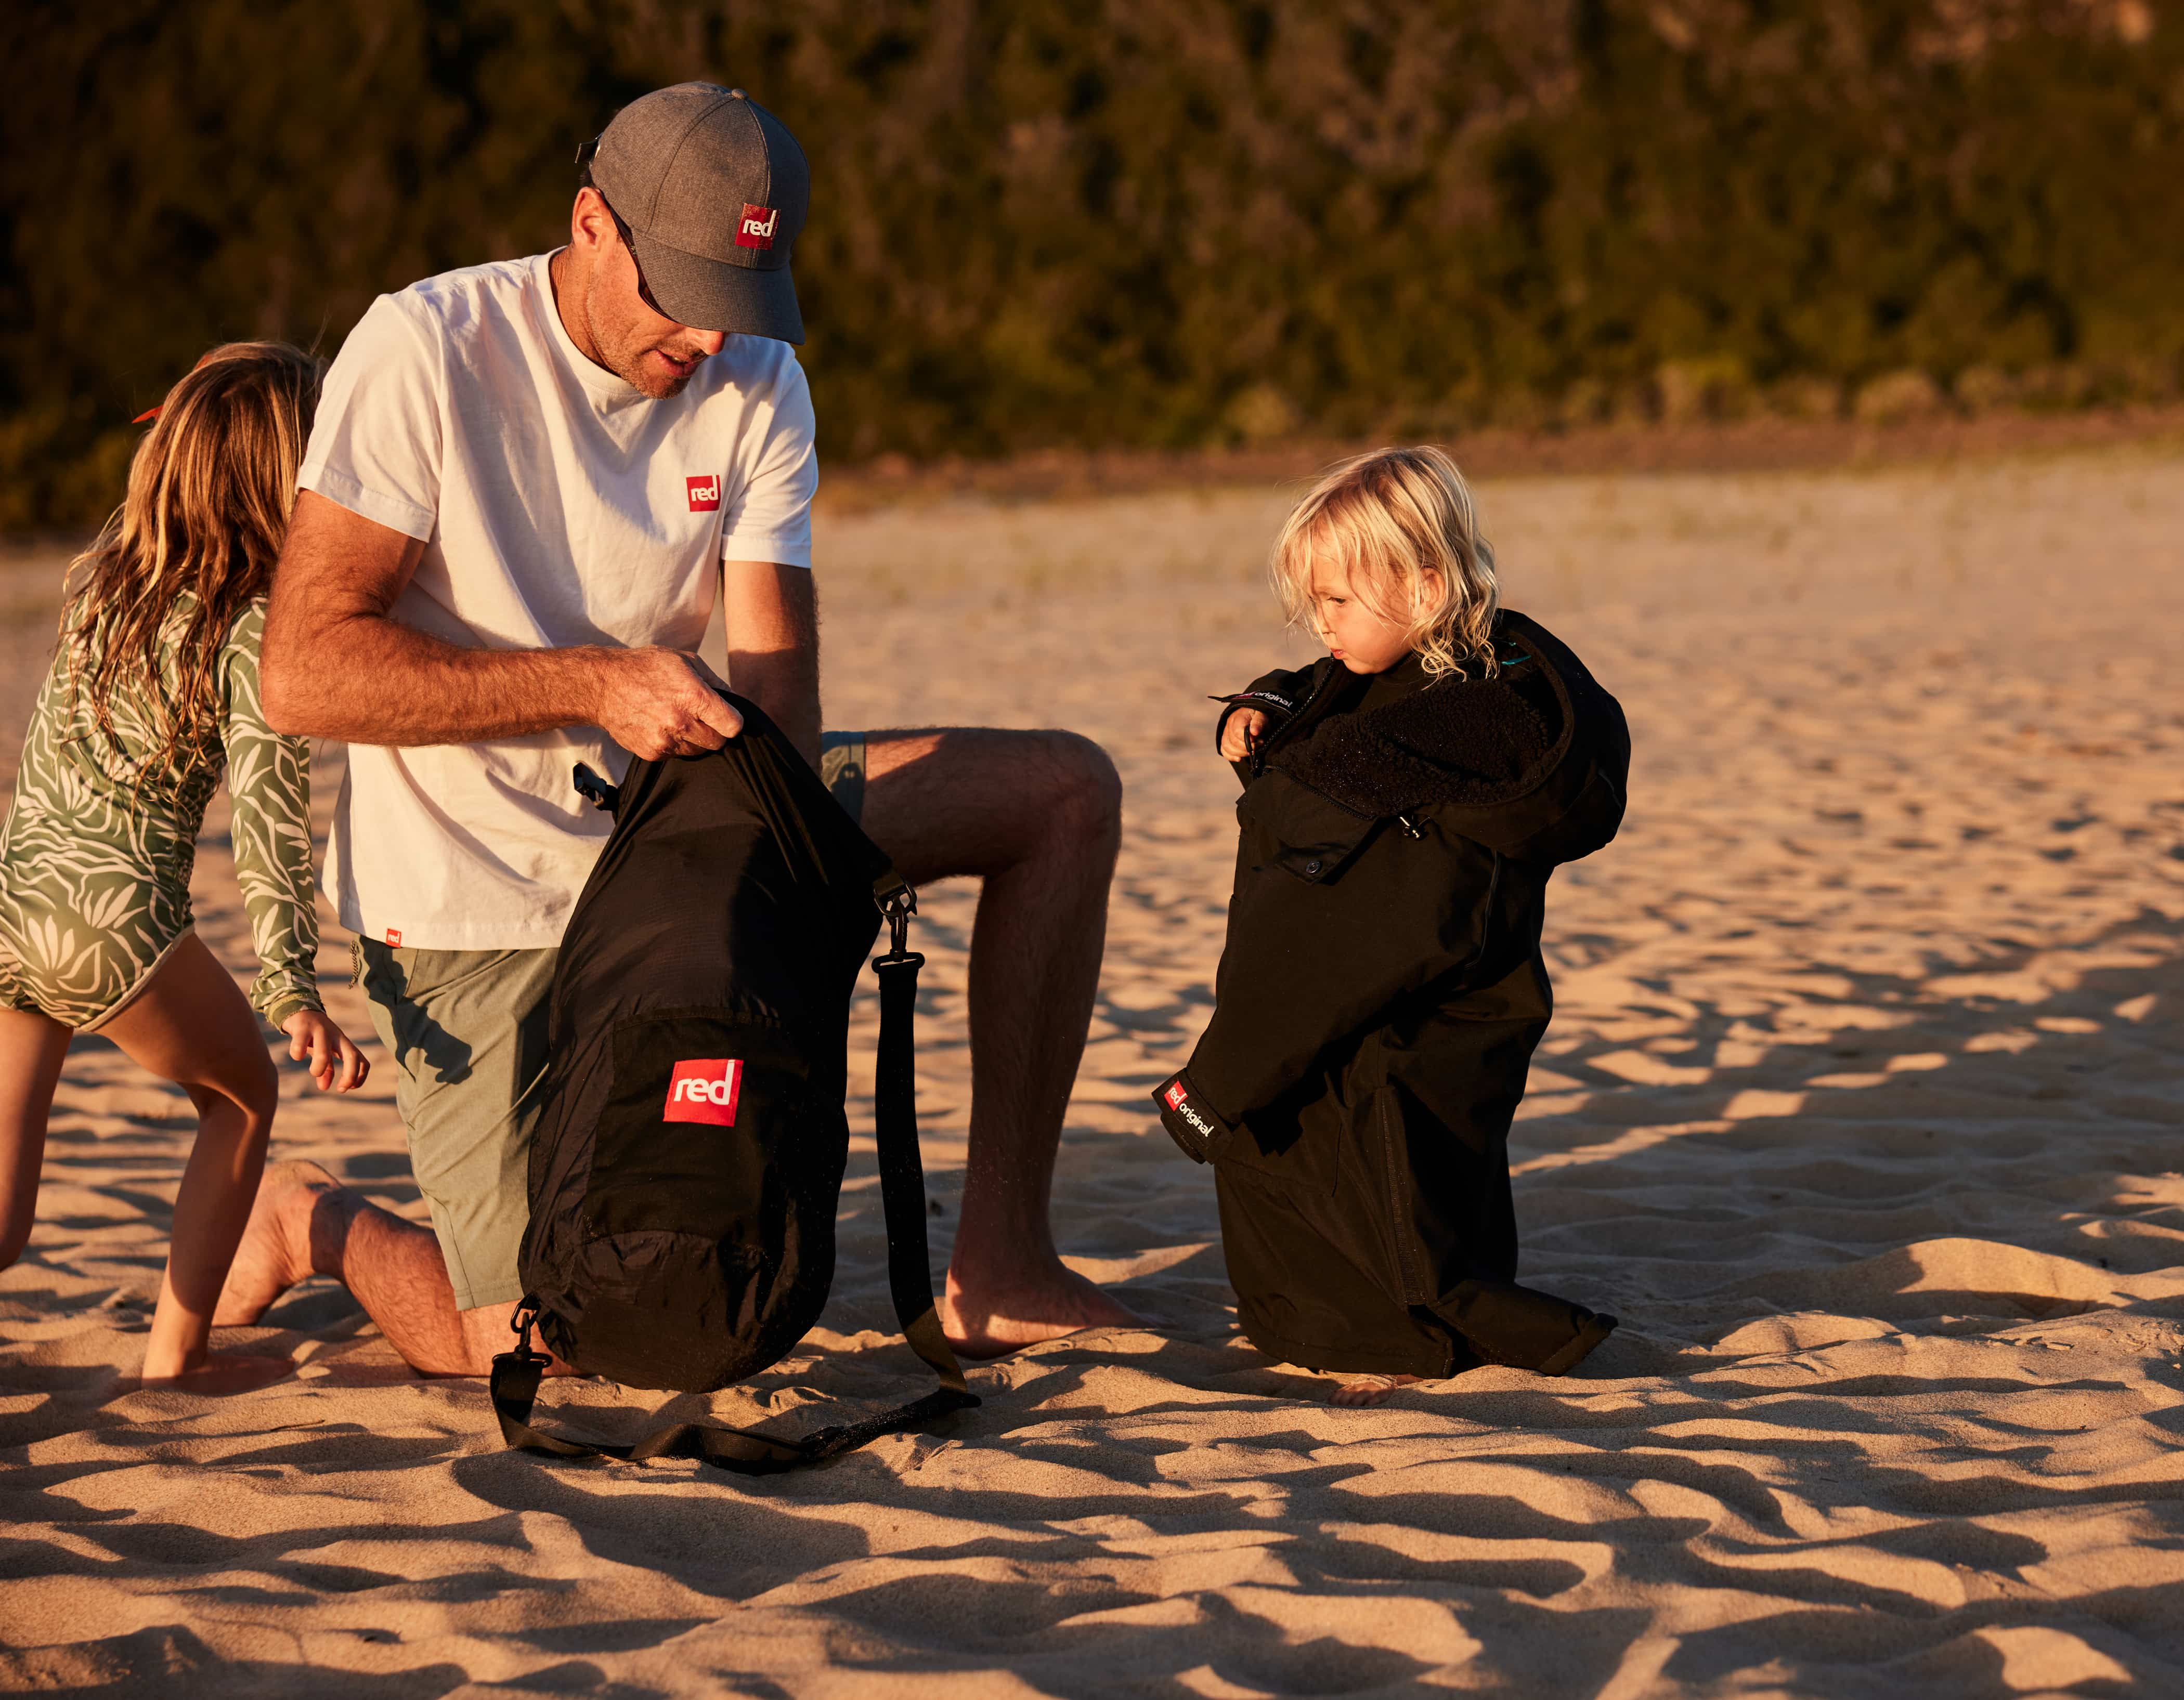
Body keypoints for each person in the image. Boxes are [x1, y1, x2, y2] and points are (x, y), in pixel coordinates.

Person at [213, 82, 1133, 1375]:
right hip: (470, 902)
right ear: (592, 223)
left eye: (742, 300)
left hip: (683, 839)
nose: (710, 336)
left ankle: (1008, 1261)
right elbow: (306, 677)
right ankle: (311, 1218)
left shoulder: (760, 374)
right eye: (683, 290)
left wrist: (773, 923)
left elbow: (773, 685)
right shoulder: (424, 348)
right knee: (540, 1347)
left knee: (1061, 794)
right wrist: (591, 684)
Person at [1152, 447, 1627, 1406]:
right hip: (1466, 1019)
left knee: (1364, 1164)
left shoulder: (1432, 750)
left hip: (1397, 1030)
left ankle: (1391, 1341)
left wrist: (1208, 1093)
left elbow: (1333, 952)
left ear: (1426, 582)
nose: (1320, 625)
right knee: (1423, 1167)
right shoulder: (1479, 684)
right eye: (1312, 604)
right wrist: (1263, 706)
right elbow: (1338, 686)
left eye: (1337, 602)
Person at [0, 343, 371, 1387]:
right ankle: (172, 1362)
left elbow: (191, 434)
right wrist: (294, 987)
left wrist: (199, 410)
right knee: (244, 1098)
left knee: (4, 1219)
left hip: (16, 904)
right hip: (114, 927)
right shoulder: (253, 634)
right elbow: (267, 828)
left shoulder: (106, 578)